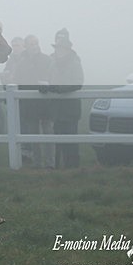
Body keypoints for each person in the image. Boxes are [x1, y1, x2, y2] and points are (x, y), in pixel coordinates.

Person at [43, 29, 84, 168]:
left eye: (61, 48)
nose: (59, 51)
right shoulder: (52, 63)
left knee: (70, 139)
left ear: (67, 49)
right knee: (58, 139)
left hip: (70, 108)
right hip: (56, 108)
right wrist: (46, 87)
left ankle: (72, 167)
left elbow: (78, 82)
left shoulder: (75, 62)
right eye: (57, 48)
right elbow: (48, 79)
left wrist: (60, 89)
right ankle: (58, 167)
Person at [14, 35, 52, 167]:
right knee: (33, 135)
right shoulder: (21, 63)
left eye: (36, 43)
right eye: (31, 44)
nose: (35, 46)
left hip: (46, 104)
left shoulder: (47, 60)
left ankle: (49, 164)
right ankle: (37, 163)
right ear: (26, 46)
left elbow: (51, 77)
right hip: (29, 105)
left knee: (48, 134)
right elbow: (17, 81)